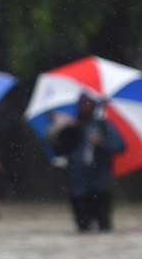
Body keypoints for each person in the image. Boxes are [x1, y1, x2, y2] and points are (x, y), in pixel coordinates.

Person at [50, 94, 126, 232]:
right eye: (81, 103)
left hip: (100, 184)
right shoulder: (71, 126)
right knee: (82, 228)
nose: (84, 106)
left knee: (104, 227)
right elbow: (60, 152)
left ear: (93, 105)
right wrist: (53, 139)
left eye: (87, 103)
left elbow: (120, 146)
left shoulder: (104, 126)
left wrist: (101, 142)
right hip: (78, 186)